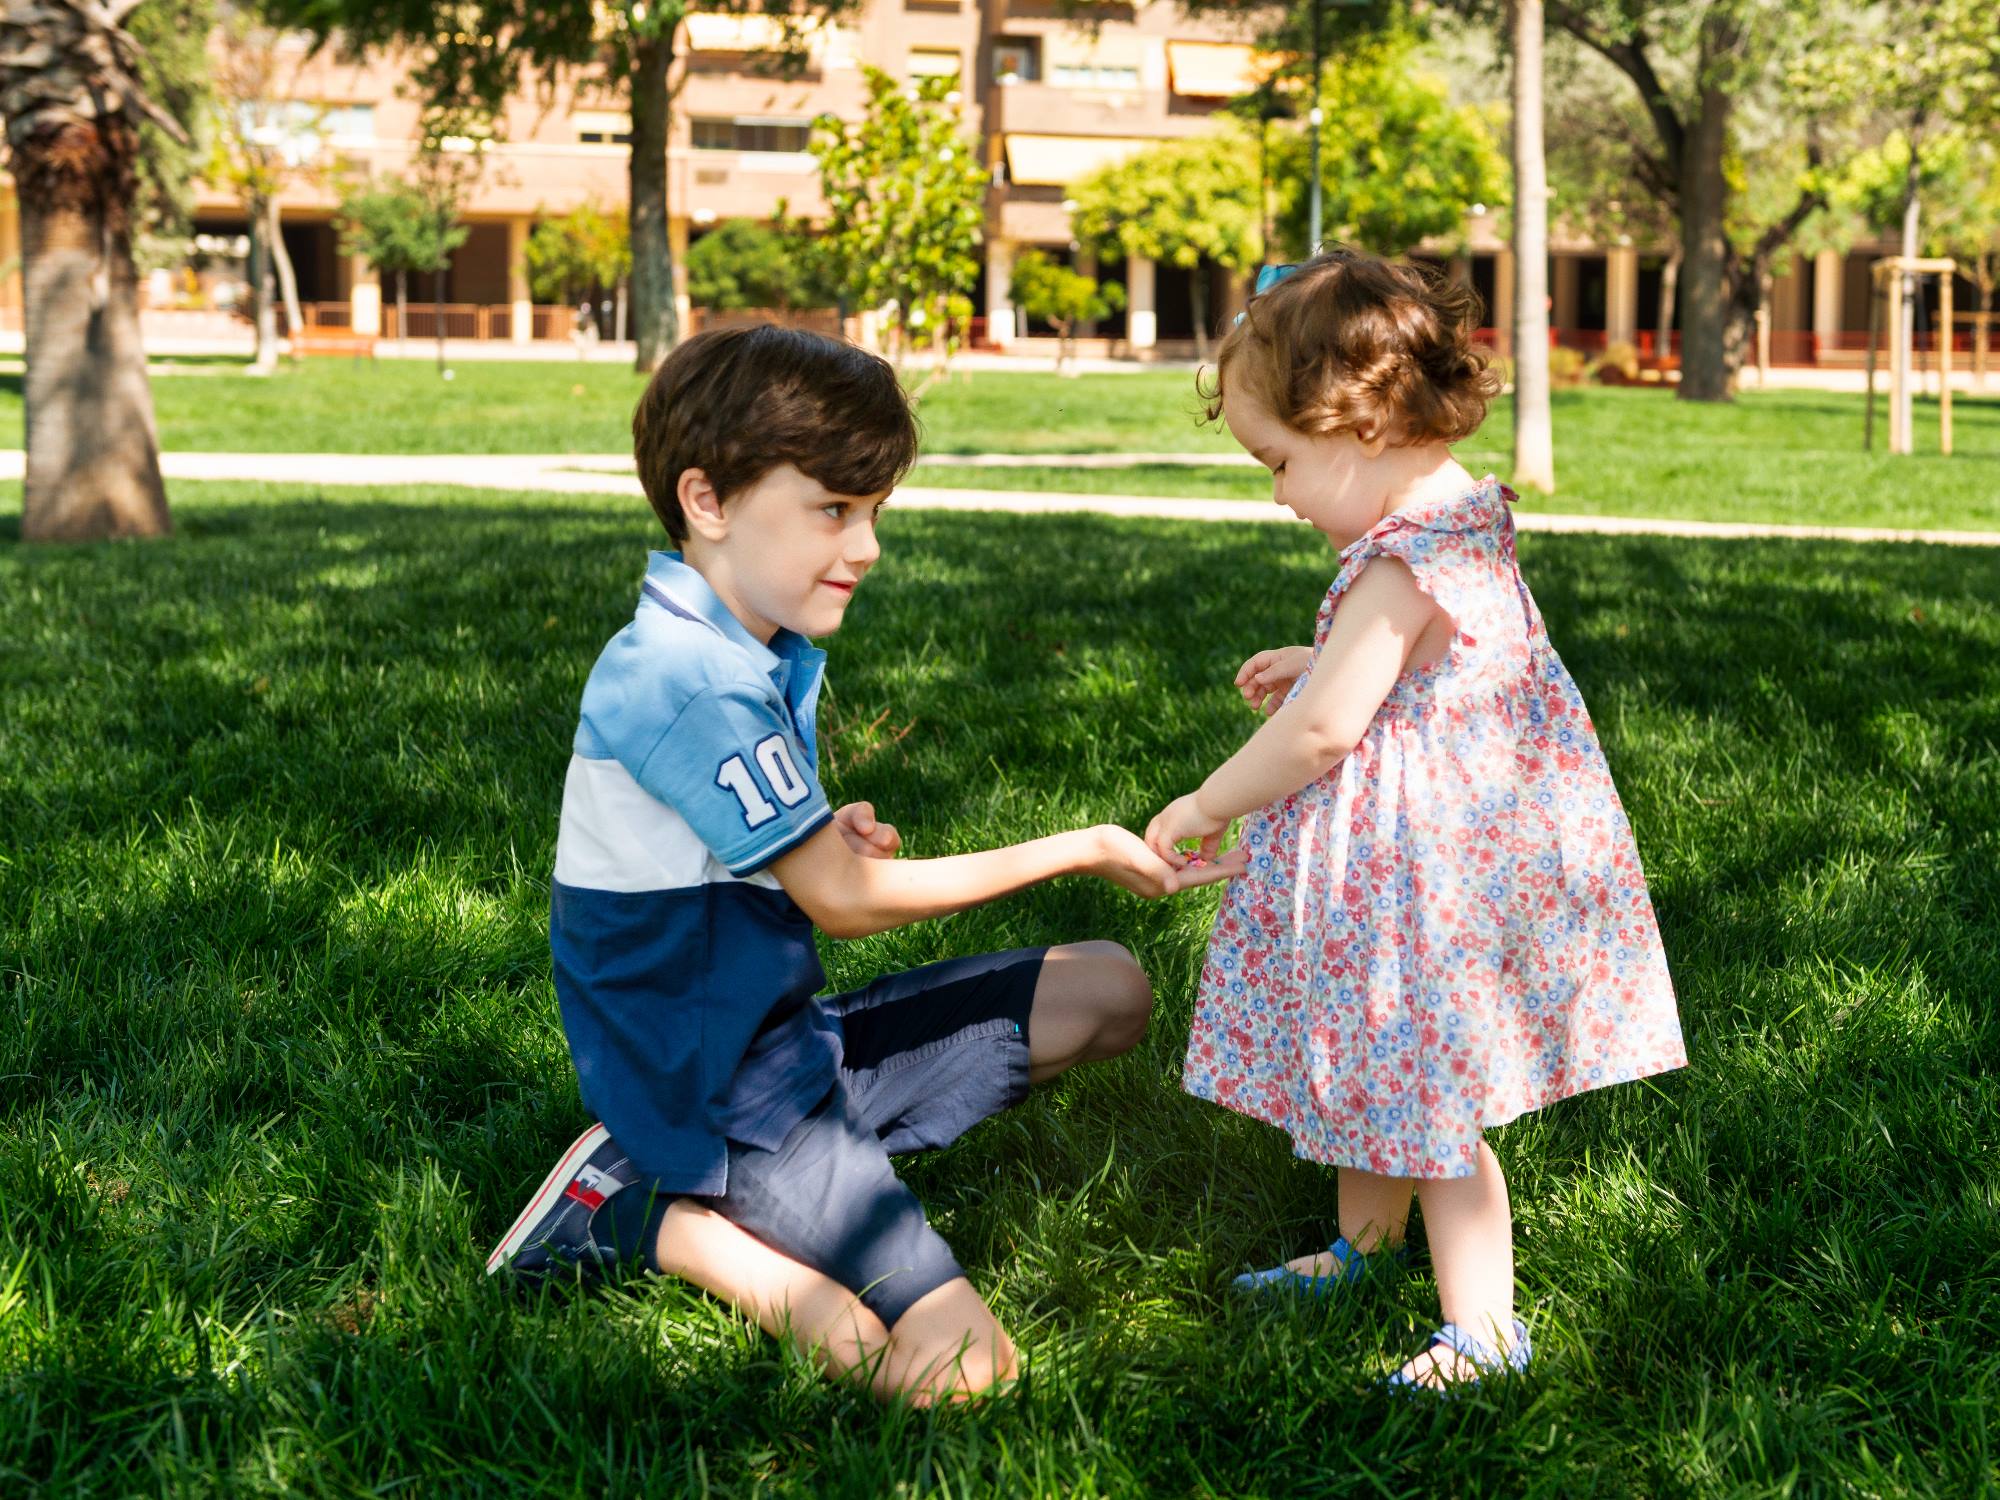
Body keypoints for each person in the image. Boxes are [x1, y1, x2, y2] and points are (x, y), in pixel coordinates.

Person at [487, 325, 1244, 1405]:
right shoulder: (691, 679)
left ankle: (800, 1182)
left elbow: (738, 861)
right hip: (723, 1096)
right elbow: (842, 907)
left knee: (1110, 989)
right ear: (707, 502)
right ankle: (651, 1219)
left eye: (874, 510)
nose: (868, 544)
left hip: (784, 1042)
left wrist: (816, 834)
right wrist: (1077, 846)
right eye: (834, 510)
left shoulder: (732, 646)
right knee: (964, 1376)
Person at [1144, 251, 1686, 1391]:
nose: (1278, 495)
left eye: (1279, 462)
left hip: (1417, 872)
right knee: (1368, 1054)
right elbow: (1420, 663)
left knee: (1427, 1092)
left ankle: (1482, 1328)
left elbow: (1317, 736)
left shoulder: (1399, 559)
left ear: (1362, 421)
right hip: (1438, 847)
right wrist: (1324, 656)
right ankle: (1361, 1245)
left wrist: (1203, 804)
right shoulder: (1456, 517)